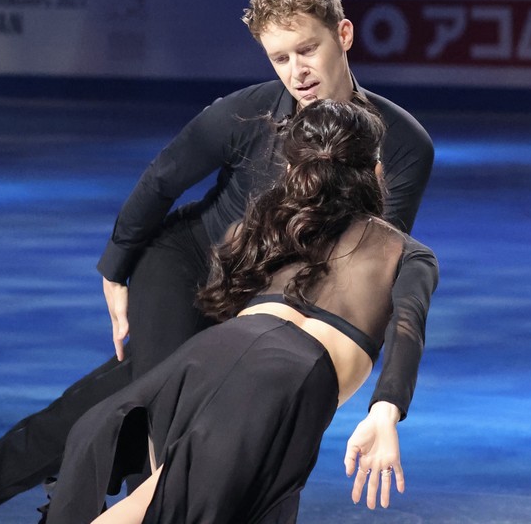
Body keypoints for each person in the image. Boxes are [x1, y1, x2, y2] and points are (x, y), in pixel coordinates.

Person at [0, 0, 433, 524]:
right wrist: (116, 269)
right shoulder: (247, 111)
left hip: (268, 301)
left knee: (101, 406)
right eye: (279, 58)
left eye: (307, 49)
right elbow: (164, 178)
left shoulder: (401, 143)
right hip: (185, 266)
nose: (297, 71)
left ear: (343, 35)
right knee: (164, 421)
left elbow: (370, 259)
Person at [44, 100, 438, 523]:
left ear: (294, 170)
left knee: (162, 493)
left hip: (208, 357)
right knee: (163, 504)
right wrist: (385, 411)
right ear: (377, 172)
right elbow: (407, 328)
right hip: (285, 379)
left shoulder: (270, 227)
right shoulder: (404, 252)